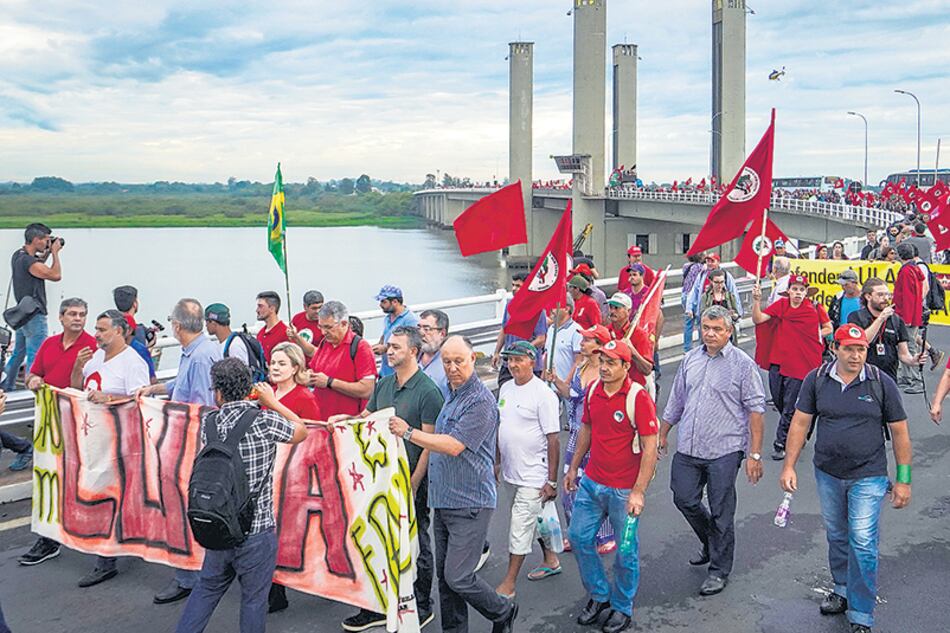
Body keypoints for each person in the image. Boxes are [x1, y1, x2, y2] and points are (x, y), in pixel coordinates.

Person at [779, 325, 912, 633]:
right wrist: (789, 466)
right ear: (834, 349)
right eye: (849, 349)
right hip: (828, 473)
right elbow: (800, 423)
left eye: (861, 349)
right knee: (837, 536)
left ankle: (862, 614)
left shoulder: (882, 383)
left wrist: (903, 479)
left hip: (869, 476)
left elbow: (900, 432)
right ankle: (841, 588)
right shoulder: (817, 380)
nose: (856, 355)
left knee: (863, 542)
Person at [387, 335, 518, 633]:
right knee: (446, 581)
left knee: (458, 576)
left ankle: (502, 610)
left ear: (473, 359)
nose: (452, 367)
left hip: (470, 502)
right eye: (447, 361)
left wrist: (409, 433)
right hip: (443, 499)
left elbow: (454, 445)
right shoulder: (450, 391)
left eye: (459, 361)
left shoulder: (481, 401)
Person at [174, 358, 308, 633]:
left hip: (218, 523)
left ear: (218, 393)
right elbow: (301, 431)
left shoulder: (209, 423)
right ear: (250, 389)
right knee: (254, 600)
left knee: (207, 589)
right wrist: (273, 403)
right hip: (256, 529)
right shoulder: (264, 420)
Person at [337, 327, 443, 631]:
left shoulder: (428, 391)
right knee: (375, 539)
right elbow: (366, 419)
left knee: (417, 541)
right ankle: (376, 604)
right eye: (389, 346)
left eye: (396, 347)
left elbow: (428, 442)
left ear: (413, 351)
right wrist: (344, 420)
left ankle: (422, 605)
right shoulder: (384, 384)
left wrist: (414, 482)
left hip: (410, 479)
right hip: (380, 479)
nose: (389, 350)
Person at [660, 306, 766, 596]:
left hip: (725, 449)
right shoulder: (691, 359)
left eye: (717, 329)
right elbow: (677, 400)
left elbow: (756, 410)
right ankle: (711, 541)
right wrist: (663, 433)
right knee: (684, 498)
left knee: (722, 510)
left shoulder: (742, 364)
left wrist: (754, 455)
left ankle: (719, 570)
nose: (710, 333)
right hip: (690, 447)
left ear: (729, 331)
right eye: (706, 327)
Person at [564, 339, 660, 633]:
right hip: (592, 482)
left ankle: (622, 607)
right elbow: (587, 430)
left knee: (625, 552)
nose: (603, 368)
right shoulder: (593, 390)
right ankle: (599, 596)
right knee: (579, 538)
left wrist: (639, 491)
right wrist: (573, 468)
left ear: (626, 367)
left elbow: (650, 446)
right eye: (601, 361)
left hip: (623, 491)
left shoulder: (637, 397)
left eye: (610, 363)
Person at [138, 298, 222, 604]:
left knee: (183, 510)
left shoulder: (200, 358)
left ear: (176, 325)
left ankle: (191, 576)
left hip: (190, 446)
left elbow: (199, 408)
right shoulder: (199, 351)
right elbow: (182, 386)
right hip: (191, 444)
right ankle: (195, 572)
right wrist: (155, 390)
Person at [72, 310, 150, 588]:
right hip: (94, 440)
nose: (96, 334)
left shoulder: (133, 363)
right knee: (107, 497)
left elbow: (142, 400)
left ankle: (105, 560)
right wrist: (77, 368)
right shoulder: (95, 357)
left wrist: (109, 398)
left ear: (118, 331)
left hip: (120, 443)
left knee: (110, 499)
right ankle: (128, 539)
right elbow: (76, 389)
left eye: (102, 329)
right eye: (96, 328)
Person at [17, 298, 97, 565]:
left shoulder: (92, 346)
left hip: (80, 424)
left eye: (82, 315)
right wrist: (34, 380)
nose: (77, 318)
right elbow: (32, 374)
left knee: (81, 479)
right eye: (72, 314)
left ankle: (90, 533)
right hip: (50, 423)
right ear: (62, 318)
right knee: (49, 478)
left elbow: (87, 388)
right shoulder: (49, 344)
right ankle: (49, 537)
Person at [494, 341, 561, 597]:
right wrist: (498, 461)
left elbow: (553, 439)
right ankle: (551, 559)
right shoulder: (505, 389)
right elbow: (502, 427)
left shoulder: (544, 394)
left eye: (518, 360)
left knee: (520, 526)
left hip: (534, 474)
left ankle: (509, 583)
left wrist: (551, 481)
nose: (513, 365)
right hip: (511, 471)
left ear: (532, 361)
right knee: (538, 520)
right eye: (509, 360)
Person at [260, 341, 322, 614]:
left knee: (286, 533)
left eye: (282, 363)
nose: (275, 367)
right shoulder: (268, 393)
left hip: (293, 475)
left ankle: (281, 587)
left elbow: (312, 435)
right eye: (273, 362)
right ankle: (272, 588)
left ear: (296, 368)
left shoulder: (303, 397)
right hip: (267, 470)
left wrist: (272, 404)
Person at [547, 324, 616, 554]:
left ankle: (604, 535)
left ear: (599, 347)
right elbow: (570, 394)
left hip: (598, 437)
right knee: (570, 485)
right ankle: (576, 532)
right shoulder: (580, 367)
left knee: (598, 488)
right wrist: (556, 380)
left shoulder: (608, 375)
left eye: (587, 340)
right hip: (577, 434)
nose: (582, 343)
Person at [752, 275, 832, 460]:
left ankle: (781, 443)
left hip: (801, 363)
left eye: (801, 289)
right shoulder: (781, 305)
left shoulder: (814, 307)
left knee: (790, 405)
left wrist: (815, 333)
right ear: (789, 291)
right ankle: (800, 429)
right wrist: (756, 301)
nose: (798, 293)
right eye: (794, 289)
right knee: (779, 401)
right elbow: (759, 319)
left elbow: (828, 327)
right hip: (778, 361)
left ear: (806, 292)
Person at [2, 223, 62, 391]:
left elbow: (37, 266)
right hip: (35, 315)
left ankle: (6, 386)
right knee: (36, 355)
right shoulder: (29, 261)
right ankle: (31, 393)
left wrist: (48, 253)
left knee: (18, 353)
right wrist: (56, 254)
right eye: (45, 240)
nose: (47, 243)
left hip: (23, 314)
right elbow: (55, 275)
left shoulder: (19, 255)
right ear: (36, 239)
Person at [307, 301, 376, 417]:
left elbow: (368, 390)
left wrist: (330, 382)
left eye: (328, 327)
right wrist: (309, 376)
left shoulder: (360, 347)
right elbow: (314, 369)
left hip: (347, 423)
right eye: (320, 326)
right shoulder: (325, 343)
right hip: (323, 419)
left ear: (344, 324)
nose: (323, 332)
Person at [847, 278, 925, 382]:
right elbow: (863, 341)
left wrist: (913, 360)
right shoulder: (856, 317)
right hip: (863, 377)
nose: (885, 298)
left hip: (889, 377)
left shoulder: (896, 320)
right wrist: (880, 319)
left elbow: (903, 353)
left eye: (887, 294)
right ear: (868, 296)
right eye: (880, 295)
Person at [492, 273, 546, 387]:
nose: (514, 289)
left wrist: (523, 350)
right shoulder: (510, 305)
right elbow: (504, 330)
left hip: (528, 365)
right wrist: (497, 352)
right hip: (509, 362)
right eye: (513, 285)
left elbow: (541, 339)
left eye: (518, 286)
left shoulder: (537, 309)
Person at [893, 243, 928, 395]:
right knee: (908, 345)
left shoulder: (906, 272)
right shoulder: (915, 269)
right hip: (913, 314)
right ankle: (908, 377)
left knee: (910, 346)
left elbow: (907, 296)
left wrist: (906, 318)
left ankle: (915, 379)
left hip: (906, 315)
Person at [604, 293, 654, 387]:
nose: (612, 311)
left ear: (628, 311)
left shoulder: (640, 334)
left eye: (617, 308)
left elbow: (647, 370)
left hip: (633, 387)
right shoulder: (606, 332)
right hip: (611, 387)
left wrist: (633, 352)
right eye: (611, 307)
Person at [372, 285, 420, 378]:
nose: (380, 305)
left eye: (383, 302)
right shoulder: (388, 318)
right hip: (385, 371)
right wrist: (376, 346)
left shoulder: (410, 320)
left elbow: (413, 347)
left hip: (399, 374)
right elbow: (385, 335)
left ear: (395, 302)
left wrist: (386, 349)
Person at [685, 253, 741, 323]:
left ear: (718, 262)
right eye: (708, 261)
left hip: (723, 318)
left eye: (712, 261)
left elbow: (734, 293)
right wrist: (689, 308)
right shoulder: (702, 275)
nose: (709, 263)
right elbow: (694, 292)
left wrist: (737, 314)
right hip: (705, 314)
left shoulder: (726, 275)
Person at [542, 296, 582, 387]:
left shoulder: (576, 330)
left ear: (567, 308)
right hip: (549, 387)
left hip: (566, 388)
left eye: (555, 306)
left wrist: (565, 384)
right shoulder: (551, 329)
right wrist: (543, 380)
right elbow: (547, 355)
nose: (552, 309)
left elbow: (578, 361)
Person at [699, 269, 741, 344]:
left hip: (726, 333)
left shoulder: (730, 296)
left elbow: (737, 315)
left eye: (722, 282)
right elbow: (702, 315)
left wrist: (733, 315)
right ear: (711, 282)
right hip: (711, 332)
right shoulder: (705, 297)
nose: (720, 285)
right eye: (716, 282)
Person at [419, 308, 450, 399]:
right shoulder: (411, 359)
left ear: (442, 333)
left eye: (427, 329)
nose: (421, 333)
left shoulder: (450, 365)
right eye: (419, 328)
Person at [287, 290, 325, 355]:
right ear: (305, 307)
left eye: (320, 307)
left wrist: (296, 336)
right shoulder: (297, 318)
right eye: (314, 308)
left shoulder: (326, 322)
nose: (318, 311)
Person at [255, 291, 288, 363]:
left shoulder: (286, 333)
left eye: (260, 306)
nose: (257, 310)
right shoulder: (260, 334)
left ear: (272, 309)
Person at [681, 254, 705, 352]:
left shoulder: (686, 266)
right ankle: (701, 346)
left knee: (688, 324)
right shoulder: (701, 268)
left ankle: (687, 348)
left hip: (684, 295)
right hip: (695, 296)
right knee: (701, 322)